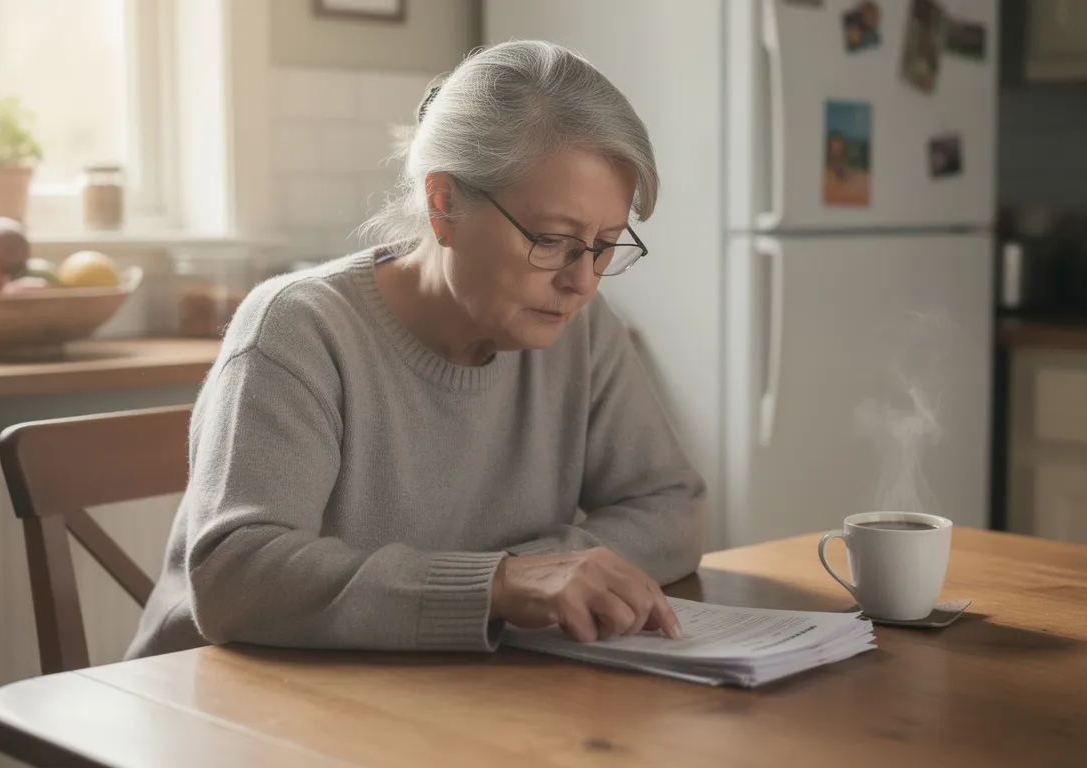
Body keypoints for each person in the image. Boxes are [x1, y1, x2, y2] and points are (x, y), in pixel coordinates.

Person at [125, 40, 707, 660]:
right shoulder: (299, 329)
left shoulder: (580, 329)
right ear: (444, 205)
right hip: (216, 694)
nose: (582, 280)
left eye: (605, 244)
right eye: (551, 239)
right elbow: (235, 577)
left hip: (431, 685)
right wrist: (499, 585)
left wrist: (525, 576)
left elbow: (671, 508)